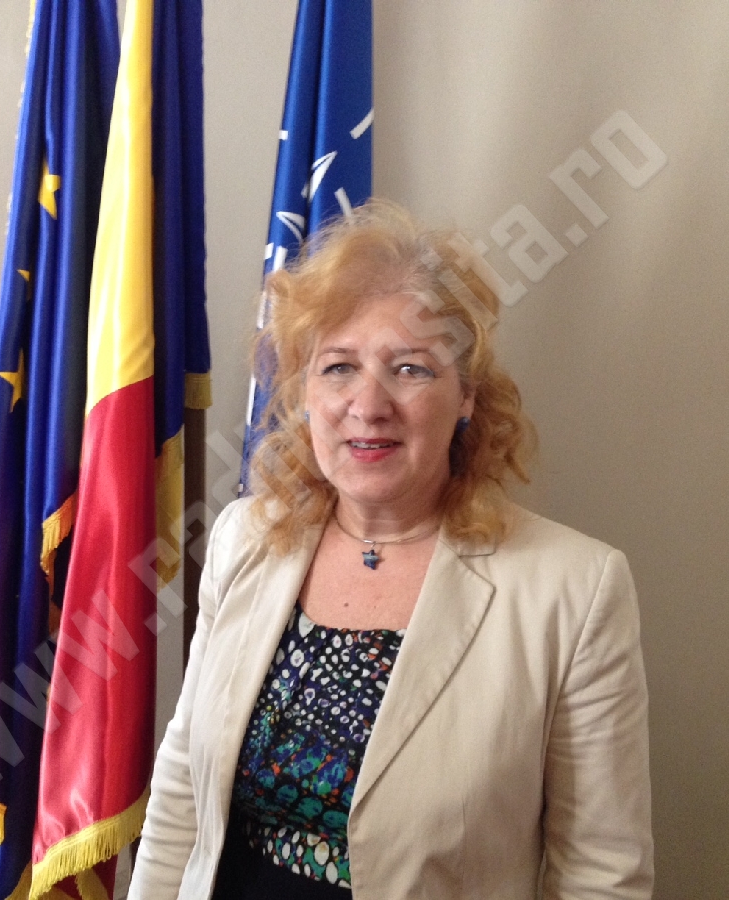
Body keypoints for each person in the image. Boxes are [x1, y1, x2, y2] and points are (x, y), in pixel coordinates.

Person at [128, 200, 653, 899]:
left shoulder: (575, 589)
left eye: (409, 369)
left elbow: (601, 873)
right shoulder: (243, 538)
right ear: (305, 392)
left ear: (466, 396)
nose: (369, 404)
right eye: (338, 367)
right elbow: (181, 797)